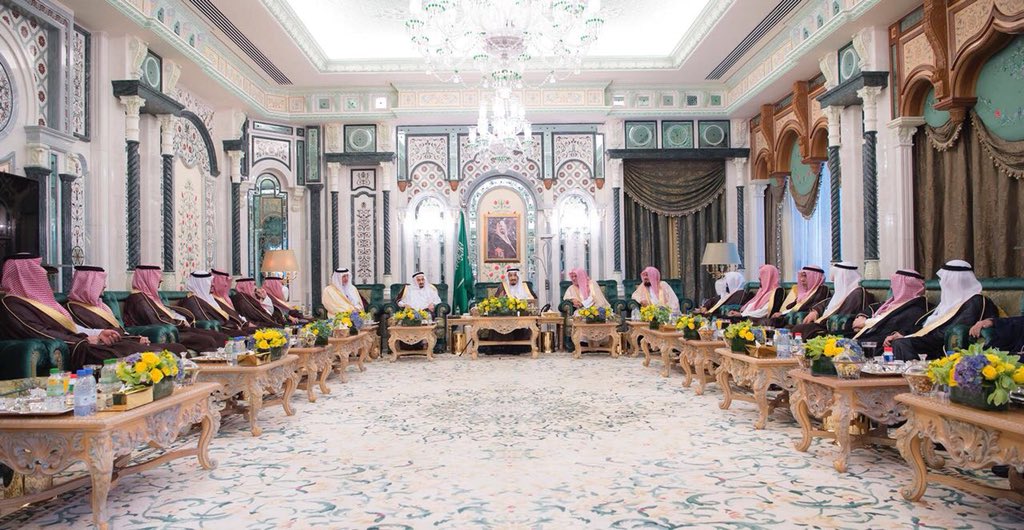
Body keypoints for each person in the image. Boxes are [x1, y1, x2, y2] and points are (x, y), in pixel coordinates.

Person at [0, 255, 157, 370]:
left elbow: (72, 327)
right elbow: (41, 333)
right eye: (40, 277)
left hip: (78, 343)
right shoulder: (13, 304)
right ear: (26, 278)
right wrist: (84, 340)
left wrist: (99, 334)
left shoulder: (44, 304)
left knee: (144, 351)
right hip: (71, 348)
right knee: (129, 355)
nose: (45, 282)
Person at [64, 266, 187, 356]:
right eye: (100, 283)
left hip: (125, 342)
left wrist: (135, 338)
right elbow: (107, 334)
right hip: (112, 346)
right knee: (163, 352)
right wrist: (134, 339)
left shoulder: (102, 306)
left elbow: (118, 330)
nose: (105, 286)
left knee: (178, 348)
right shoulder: (75, 309)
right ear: (87, 285)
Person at [891, 260, 999, 360]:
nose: (941, 282)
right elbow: (925, 323)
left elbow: (952, 329)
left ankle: (915, 373)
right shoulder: (949, 301)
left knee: (902, 344)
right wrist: (903, 333)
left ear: (953, 281)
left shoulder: (975, 301)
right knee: (898, 341)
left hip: (944, 344)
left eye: (943, 279)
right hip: (931, 339)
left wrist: (910, 337)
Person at [123, 265, 230, 352]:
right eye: (157, 279)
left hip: (175, 329)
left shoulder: (150, 297)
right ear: (147, 279)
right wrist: (180, 323)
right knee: (207, 340)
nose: (161, 281)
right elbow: (155, 320)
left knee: (219, 337)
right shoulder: (138, 299)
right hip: (168, 331)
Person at [790, 262, 875, 340]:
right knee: (796, 328)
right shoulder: (843, 292)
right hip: (826, 325)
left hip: (838, 328)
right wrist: (816, 311)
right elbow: (829, 303)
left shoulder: (857, 293)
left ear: (844, 277)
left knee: (802, 329)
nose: (834, 281)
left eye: (836, 277)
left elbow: (844, 313)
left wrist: (824, 321)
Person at [850, 269, 928, 349]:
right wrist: (862, 317)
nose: (891, 287)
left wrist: (866, 323)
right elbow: (873, 308)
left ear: (903, 286)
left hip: (876, 346)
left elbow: (887, 330)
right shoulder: (891, 303)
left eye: (895, 284)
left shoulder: (914, 310)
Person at [176, 270, 255, 335]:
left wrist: (240, 324)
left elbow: (227, 313)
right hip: (217, 330)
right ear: (202, 284)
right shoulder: (192, 301)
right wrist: (233, 326)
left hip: (227, 327)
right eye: (209, 282)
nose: (213, 284)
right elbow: (207, 320)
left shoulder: (208, 297)